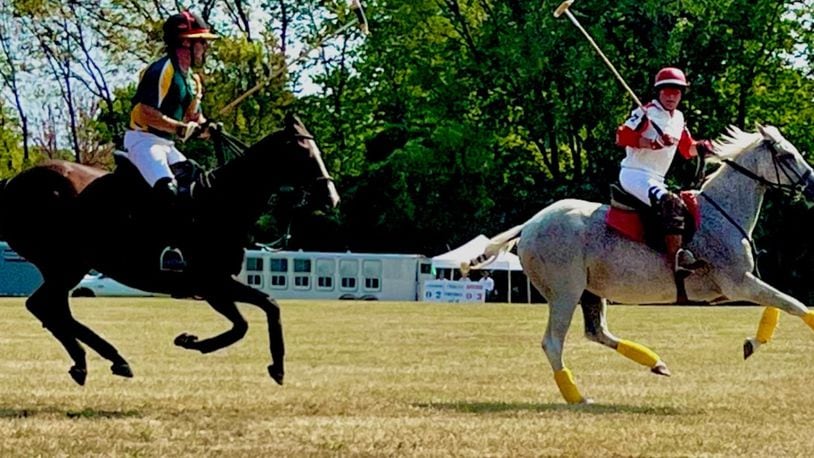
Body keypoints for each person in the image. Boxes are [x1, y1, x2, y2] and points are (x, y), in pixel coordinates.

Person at [124, 10, 218, 271]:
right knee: (169, 189)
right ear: (186, 42)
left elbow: (193, 116)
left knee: (197, 187)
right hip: (143, 140)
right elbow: (147, 112)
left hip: (167, 145)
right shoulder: (161, 70)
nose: (206, 47)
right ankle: (167, 248)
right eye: (202, 41)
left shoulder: (192, 79)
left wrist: (206, 127)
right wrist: (180, 129)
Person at [615, 67, 714, 281]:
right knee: (671, 202)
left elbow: (687, 149)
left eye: (676, 92)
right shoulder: (645, 111)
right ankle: (676, 262)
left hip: (656, 178)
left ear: (681, 94)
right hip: (635, 174)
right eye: (667, 91)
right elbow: (622, 136)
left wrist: (703, 147)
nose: (671, 96)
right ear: (659, 92)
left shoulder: (678, 118)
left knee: (686, 206)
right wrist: (652, 143)